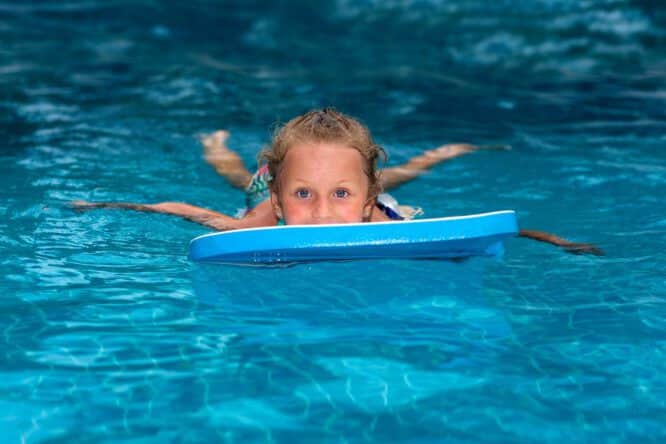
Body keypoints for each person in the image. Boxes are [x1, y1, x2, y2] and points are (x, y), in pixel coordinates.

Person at [72, 108, 602, 255]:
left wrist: (550, 241)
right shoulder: (266, 214)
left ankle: (443, 152)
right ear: (284, 199)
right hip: (264, 184)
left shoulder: (386, 215)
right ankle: (217, 147)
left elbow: (474, 231)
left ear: (368, 200)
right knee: (238, 179)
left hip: (373, 186)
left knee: (403, 174)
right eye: (304, 194)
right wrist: (109, 205)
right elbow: (188, 211)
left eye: (340, 195)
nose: (321, 211)